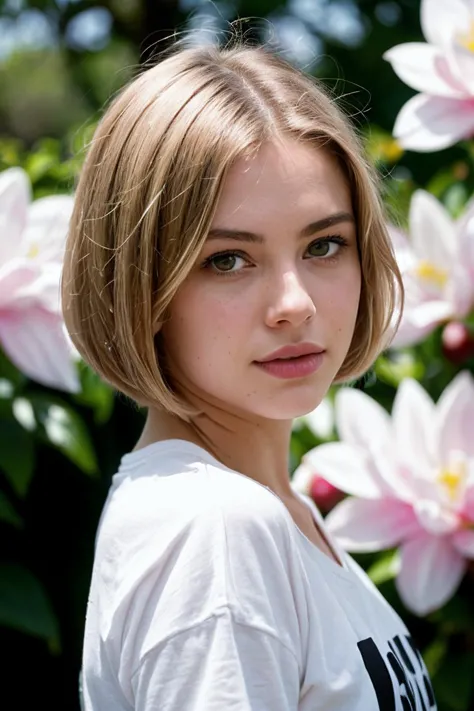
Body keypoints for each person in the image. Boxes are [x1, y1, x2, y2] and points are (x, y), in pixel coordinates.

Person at [61, 36, 437, 711]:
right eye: (228, 260)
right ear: (140, 286)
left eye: (325, 244)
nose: (295, 303)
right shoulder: (217, 530)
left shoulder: (270, 516)